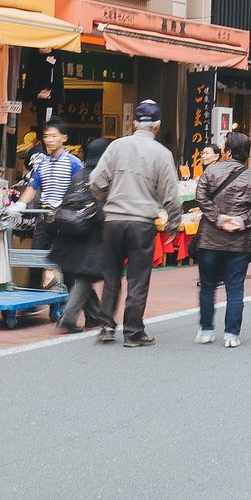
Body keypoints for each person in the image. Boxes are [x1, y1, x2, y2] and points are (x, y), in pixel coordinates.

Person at [88, 99, 182, 347]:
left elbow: (95, 181)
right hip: (141, 223)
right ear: (158, 126)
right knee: (138, 278)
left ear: (134, 123)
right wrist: (173, 223)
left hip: (114, 220)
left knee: (111, 275)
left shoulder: (117, 146)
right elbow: (171, 195)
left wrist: (110, 199)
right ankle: (133, 331)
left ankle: (107, 326)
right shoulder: (162, 154)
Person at [193, 132, 251, 348]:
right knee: (235, 288)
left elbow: (200, 196)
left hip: (210, 239)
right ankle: (231, 335)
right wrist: (242, 220)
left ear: (228, 151)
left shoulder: (211, 172)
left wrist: (218, 218)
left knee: (207, 286)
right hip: (240, 242)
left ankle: (206, 330)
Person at [48, 138, 109, 333]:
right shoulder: (104, 175)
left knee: (81, 276)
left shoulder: (79, 174)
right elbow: (102, 209)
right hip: (92, 235)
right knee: (85, 277)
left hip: (70, 232)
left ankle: (94, 315)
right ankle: (69, 317)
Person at [12, 118, 83, 252]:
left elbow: (80, 190)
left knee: (62, 258)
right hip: (43, 217)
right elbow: (33, 187)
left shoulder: (74, 163)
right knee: (37, 259)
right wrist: (20, 204)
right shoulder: (42, 164)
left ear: (64, 138)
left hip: (65, 218)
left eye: (53, 136)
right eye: (46, 136)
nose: (49, 140)